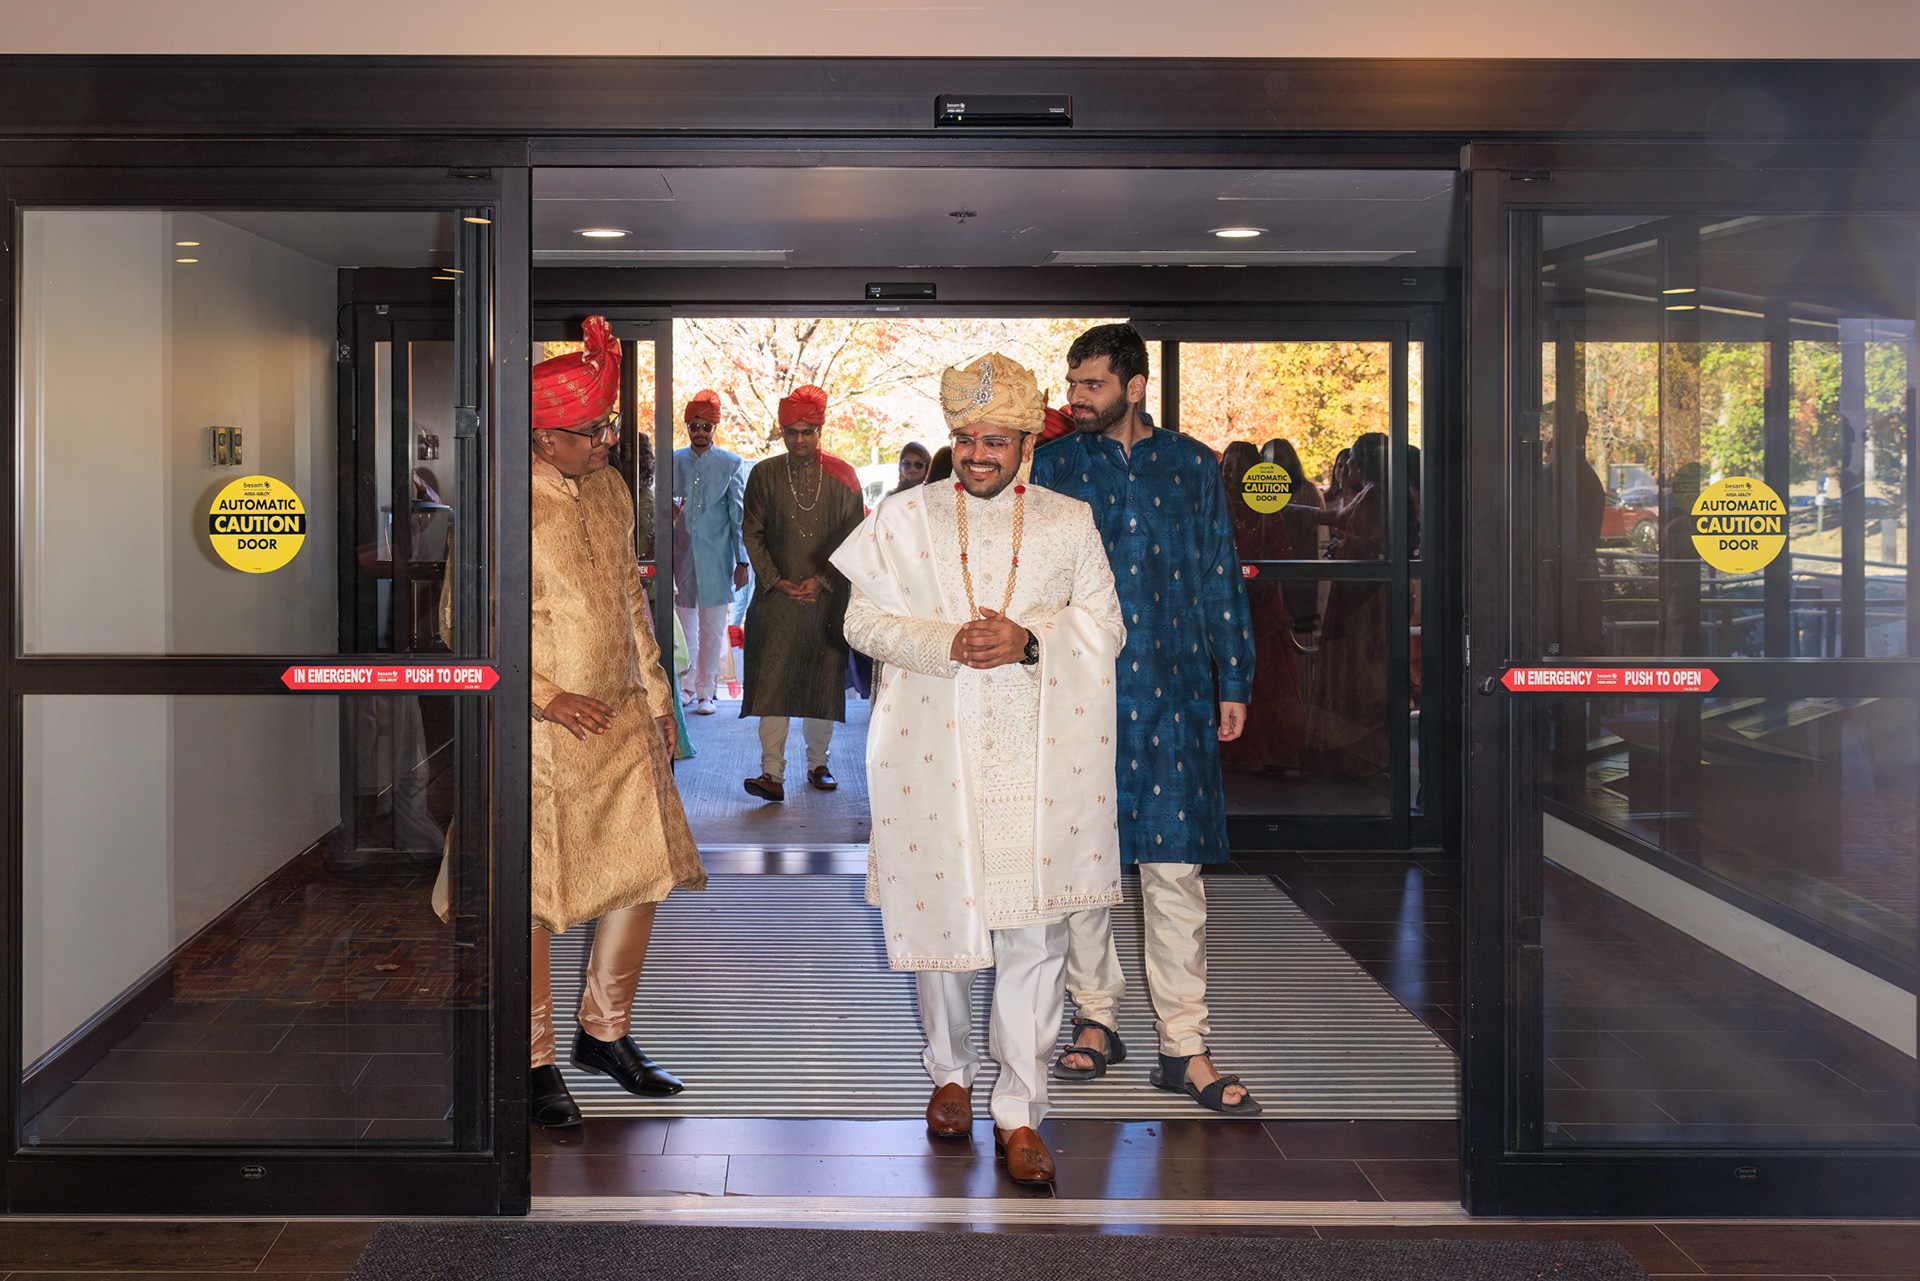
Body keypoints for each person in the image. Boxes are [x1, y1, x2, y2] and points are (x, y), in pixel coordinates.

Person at [833, 352, 1126, 1187]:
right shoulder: (903, 517)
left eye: (996, 439)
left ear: (1028, 442)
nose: (978, 454)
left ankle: (1021, 1109)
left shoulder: (1070, 521)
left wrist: (1031, 640)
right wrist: (947, 642)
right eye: (966, 437)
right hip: (931, 748)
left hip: (1041, 756)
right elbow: (860, 622)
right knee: (941, 928)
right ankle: (950, 1075)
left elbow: (1107, 627)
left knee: (1034, 934)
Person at [1031, 322, 1262, 1115]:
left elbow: (1218, 574)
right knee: (1086, 872)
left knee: (1175, 873)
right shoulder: (1054, 466)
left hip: (1174, 693)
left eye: (1091, 384)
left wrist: (1234, 677)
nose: (1076, 397)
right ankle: (1095, 1017)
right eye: (1073, 383)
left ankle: (1184, 1045)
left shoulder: (1193, 467)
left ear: (1134, 388)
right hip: (1078, 695)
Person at [525, 316, 707, 1129]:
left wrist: (661, 702)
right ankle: (531, 1057)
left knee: (643, 872)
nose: (606, 442)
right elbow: (467, 623)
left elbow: (634, 602)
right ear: (543, 437)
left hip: (624, 717)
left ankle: (605, 1032)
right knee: (538, 896)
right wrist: (545, 696)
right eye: (591, 431)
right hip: (543, 734)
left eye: (606, 426)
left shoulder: (610, 488)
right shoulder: (503, 504)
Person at [738, 384, 865, 802]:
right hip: (775, 600)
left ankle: (818, 765)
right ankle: (771, 772)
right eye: (791, 432)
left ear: (820, 430)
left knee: (821, 681)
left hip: (825, 601)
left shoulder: (844, 477)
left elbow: (855, 539)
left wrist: (822, 581)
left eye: (807, 432)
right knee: (772, 683)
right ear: (782, 432)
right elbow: (752, 533)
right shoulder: (764, 474)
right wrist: (775, 580)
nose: (799, 440)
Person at [1218, 443, 1306, 773]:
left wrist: (1262, 581)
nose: (1230, 473)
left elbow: (1284, 557)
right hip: (1224, 607)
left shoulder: (1267, 508)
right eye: (1227, 465)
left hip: (1262, 609)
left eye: (1238, 467)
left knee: (1268, 683)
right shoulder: (1214, 505)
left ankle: (1274, 753)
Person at [672, 389, 749, 716]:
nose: (700, 432)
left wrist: (742, 560)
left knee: (713, 628)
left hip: (717, 558)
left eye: (706, 427)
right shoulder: (673, 462)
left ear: (715, 428)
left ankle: (707, 692)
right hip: (681, 557)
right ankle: (686, 687)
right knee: (685, 625)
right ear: (687, 427)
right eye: (695, 426)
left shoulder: (731, 464)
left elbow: (738, 516)